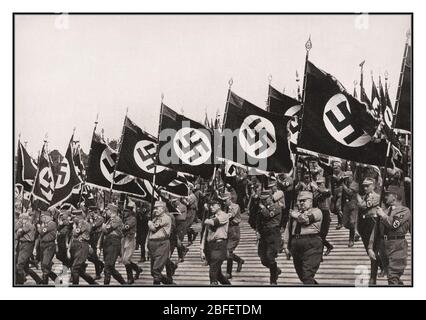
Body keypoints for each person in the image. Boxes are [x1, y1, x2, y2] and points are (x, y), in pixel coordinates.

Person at [369, 185, 411, 285]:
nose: (385, 197)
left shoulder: (404, 210)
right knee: (392, 277)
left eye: (388, 194)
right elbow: (376, 230)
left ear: (395, 196)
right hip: (384, 246)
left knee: (393, 276)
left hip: (397, 246)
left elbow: (394, 224)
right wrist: (370, 247)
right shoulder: (386, 211)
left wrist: (383, 215)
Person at [284, 191, 323, 284]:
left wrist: (295, 214)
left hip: (311, 245)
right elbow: (288, 229)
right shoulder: (294, 213)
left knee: (307, 275)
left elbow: (305, 220)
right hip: (296, 246)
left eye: (304, 201)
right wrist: (286, 245)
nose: (301, 203)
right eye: (300, 201)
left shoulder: (317, 211)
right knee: (302, 276)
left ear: (310, 201)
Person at [255, 190, 282, 285]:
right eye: (262, 200)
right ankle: (276, 270)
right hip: (263, 234)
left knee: (270, 257)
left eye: (266, 199)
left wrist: (262, 208)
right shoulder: (262, 208)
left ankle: (273, 280)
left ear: (271, 198)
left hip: (273, 234)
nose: (264, 201)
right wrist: (257, 231)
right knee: (263, 259)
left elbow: (267, 215)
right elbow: (258, 220)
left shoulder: (276, 207)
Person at [357, 177, 381, 285]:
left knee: (373, 250)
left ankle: (373, 277)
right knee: (369, 250)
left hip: (373, 223)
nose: (365, 188)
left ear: (374, 186)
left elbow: (364, 206)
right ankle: (383, 265)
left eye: (368, 185)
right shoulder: (364, 196)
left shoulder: (377, 197)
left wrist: (358, 199)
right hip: (364, 224)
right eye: (364, 186)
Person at [202, 198, 230, 285]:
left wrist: (206, 220)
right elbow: (205, 234)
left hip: (219, 245)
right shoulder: (211, 216)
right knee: (218, 274)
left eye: (213, 205)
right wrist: (202, 250)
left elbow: (214, 222)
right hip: (211, 246)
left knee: (213, 273)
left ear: (219, 206)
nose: (211, 207)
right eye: (210, 205)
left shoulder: (224, 215)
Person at [147, 201, 172, 285]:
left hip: (161, 243)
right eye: (155, 208)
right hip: (153, 244)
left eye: (157, 208)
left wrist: (150, 224)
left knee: (156, 270)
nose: (155, 210)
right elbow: (150, 233)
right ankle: (169, 283)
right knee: (153, 272)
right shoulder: (156, 218)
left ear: (163, 209)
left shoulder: (165, 218)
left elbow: (154, 228)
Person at [100, 204, 126, 285]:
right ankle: (124, 284)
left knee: (108, 267)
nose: (105, 211)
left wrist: (103, 227)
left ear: (111, 211)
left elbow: (107, 230)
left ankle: (106, 285)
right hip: (108, 244)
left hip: (113, 244)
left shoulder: (116, 219)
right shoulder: (109, 220)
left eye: (107, 210)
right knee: (110, 267)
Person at [221, 192, 244, 279]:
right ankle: (239, 260)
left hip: (234, 229)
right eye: (223, 201)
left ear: (230, 199)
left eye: (225, 200)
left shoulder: (235, 206)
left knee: (228, 251)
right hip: (227, 230)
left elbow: (230, 216)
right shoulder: (224, 207)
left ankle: (228, 273)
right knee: (226, 252)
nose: (224, 202)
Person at [15, 210, 42, 285]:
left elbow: (18, 233)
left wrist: (19, 229)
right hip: (26, 245)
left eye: (21, 218)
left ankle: (20, 281)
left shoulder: (28, 225)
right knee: (26, 268)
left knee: (19, 266)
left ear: (25, 218)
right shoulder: (29, 224)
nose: (20, 220)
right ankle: (39, 280)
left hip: (26, 245)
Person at [69, 209, 93, 285]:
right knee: (79, 270)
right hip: (76, 246)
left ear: (78, 216)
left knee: (75, 268)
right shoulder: (78, 223)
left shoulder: (83, 223)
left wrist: (74, 226)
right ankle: (93, 283)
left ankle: (75, 286)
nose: (72, 218)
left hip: (82, 246)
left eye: (74, 216)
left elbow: (76, 233)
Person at [121, 202, 142, 284]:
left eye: (126, 211)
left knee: (126, 260)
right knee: (125, 259)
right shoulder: (125, 219)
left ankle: (130, 278)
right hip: (125, 239)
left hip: (130, 239)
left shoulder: (132, 219)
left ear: (130, 212)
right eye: (124, 211)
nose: (124, 213)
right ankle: (137, 269)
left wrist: (121, 225)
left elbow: (124, 228)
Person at [313, 177, 333, 256]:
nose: (319, 185)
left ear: (324, 183)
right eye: (317, 183)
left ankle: (320, 255)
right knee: (318, 235)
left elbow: (325, 194)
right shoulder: (317, 193)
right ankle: (328, 246)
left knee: (322, 235)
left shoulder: (327, 191)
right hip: (319, 213)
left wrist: (316, 188)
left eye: (320, 183)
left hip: (325, 214)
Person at [37, 210, 58, 284]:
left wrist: (39, 227)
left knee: (45, 264)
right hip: (43, 245)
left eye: (43, 217)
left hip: (49, 246)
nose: (42, 218)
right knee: (44, 266)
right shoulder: (45, 224)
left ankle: (52, 281)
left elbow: (42, 231)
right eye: (42, 217)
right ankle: (49, 281)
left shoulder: (52, 224)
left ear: (48, 217)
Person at [341, 171, 360, 247]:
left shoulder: (355, 183)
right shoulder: (345, 183)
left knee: (352, 222)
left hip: (354, 204)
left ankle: (351, 239)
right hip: (346, 205)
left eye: (347, 178)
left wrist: (342, 185)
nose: (346, 179)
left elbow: (350, 192)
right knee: (345, 223)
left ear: (351, 177)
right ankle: (356, 233)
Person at [87, 207, 105, 280]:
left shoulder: (100, 219)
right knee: (89, 256)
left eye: (92, 212)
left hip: (98, 239)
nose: (90, 214)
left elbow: (92, 227)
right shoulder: (90, 219)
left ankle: (98, 274)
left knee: (96, 256)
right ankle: (101, 264)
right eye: (90, 212)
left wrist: (91, 222)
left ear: (95, 212)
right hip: (91, 238)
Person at [330, 160, 344, 230]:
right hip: (335, 193)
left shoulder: (343, 174)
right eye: (334, 167)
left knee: (338, 208)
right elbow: (332, 185)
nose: (335, 169)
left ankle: (340, 222)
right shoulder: (332, 174)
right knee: (333, 209)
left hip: (341, 193)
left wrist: (337, 179)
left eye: (336, 168)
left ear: (339, 167)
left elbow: (341, 182)